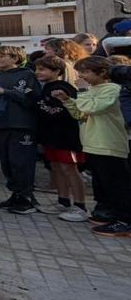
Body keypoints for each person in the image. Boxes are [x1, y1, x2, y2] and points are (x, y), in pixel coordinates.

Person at [58, 56, 131, 237]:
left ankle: (125, 221)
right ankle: (109, 213)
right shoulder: (93, 89)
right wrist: (67, 101)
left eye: (85, 72)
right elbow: (80, 114)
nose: (82, 76)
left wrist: (81, 91)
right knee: (102, 183)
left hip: (109, 144)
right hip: (92, 144)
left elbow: (93, 107)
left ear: (103, 72)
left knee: (117, 184)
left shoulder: (113, 90)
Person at [0, 45, 40, 214]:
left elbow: (31, 99)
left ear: (14, 58)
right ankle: (16, 193)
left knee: (21, 162)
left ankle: (26, 197)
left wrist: (5, 91)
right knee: (6, 162)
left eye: (1, 55)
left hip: (21, 125)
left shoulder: (27, 75)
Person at [33, 55, 86, 221]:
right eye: (37, 69)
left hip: (65, 136)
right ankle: (63, 201)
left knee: (69, 169)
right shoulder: (44, 87)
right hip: (49, 136)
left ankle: (80, 206)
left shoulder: (63, 87)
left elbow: (61, 111)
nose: (38, 72)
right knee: (56, 167)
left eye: (42, 69)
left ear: (56, 71)